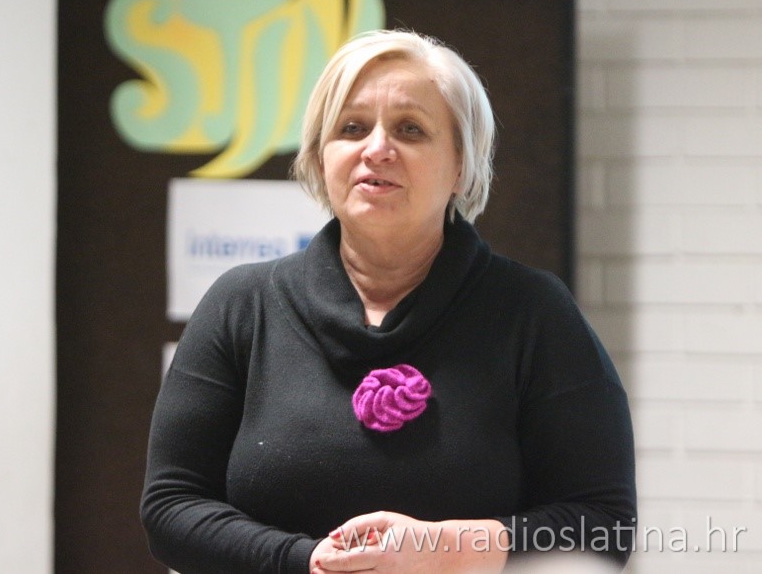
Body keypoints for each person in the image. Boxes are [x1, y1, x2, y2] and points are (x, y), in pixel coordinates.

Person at [140, 29, 636, 574]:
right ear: (321, 158)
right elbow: (172, 507)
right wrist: (306, 563)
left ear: (461, 165)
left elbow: (603, 524)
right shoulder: (241, 306)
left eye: (410, 129)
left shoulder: (534, 313)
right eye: (351, 128)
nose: (376, 149)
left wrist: (442, 551)